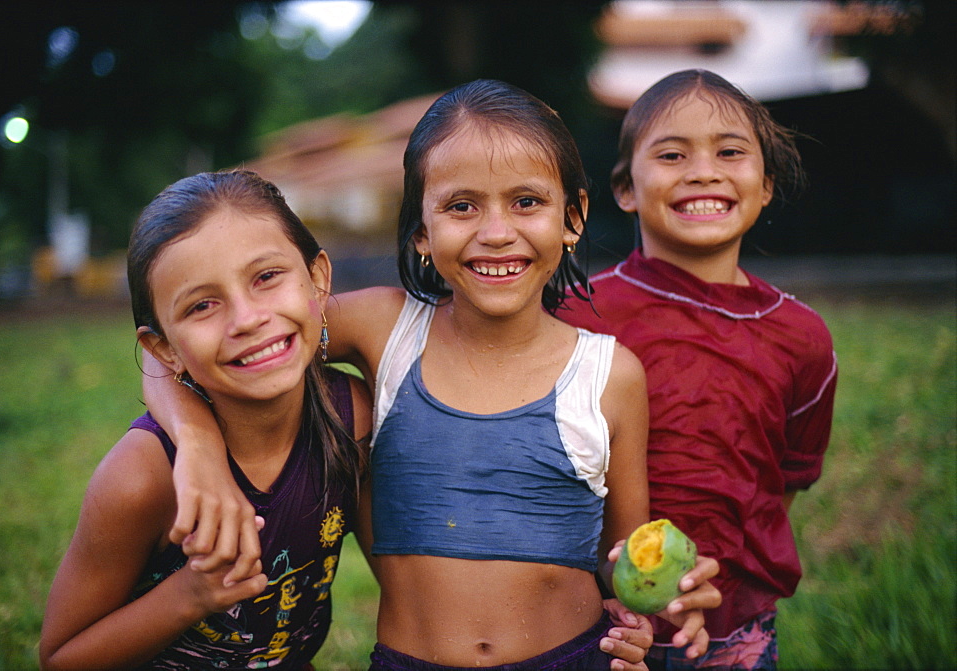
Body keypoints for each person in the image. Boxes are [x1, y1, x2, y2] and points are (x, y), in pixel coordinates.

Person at [145, 79, 722, 671]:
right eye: (461, 206)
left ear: (572, 217)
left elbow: (622, 557)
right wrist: (196, 448)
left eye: (527, 201)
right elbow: (174, 355)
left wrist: (661, 599)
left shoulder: (609, 375)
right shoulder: (384, 330)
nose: (496, 232)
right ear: (421, 230)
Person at [558, 69, 838, 670]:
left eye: (730, 152)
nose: (703, 170)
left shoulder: (803, 339)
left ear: (765, 185)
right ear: (625, 188)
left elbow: (781, 483)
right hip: (588, 629)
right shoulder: (574, 315)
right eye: (672, 154)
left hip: (732, 630)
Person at [39, 170, 372, 670]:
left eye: (266, 277)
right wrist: (189, 596)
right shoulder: (141, 478)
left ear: (318, 278)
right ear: (164, 349)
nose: (246, 319)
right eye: (202, 305)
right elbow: (61, 657)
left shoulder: (350, 419)